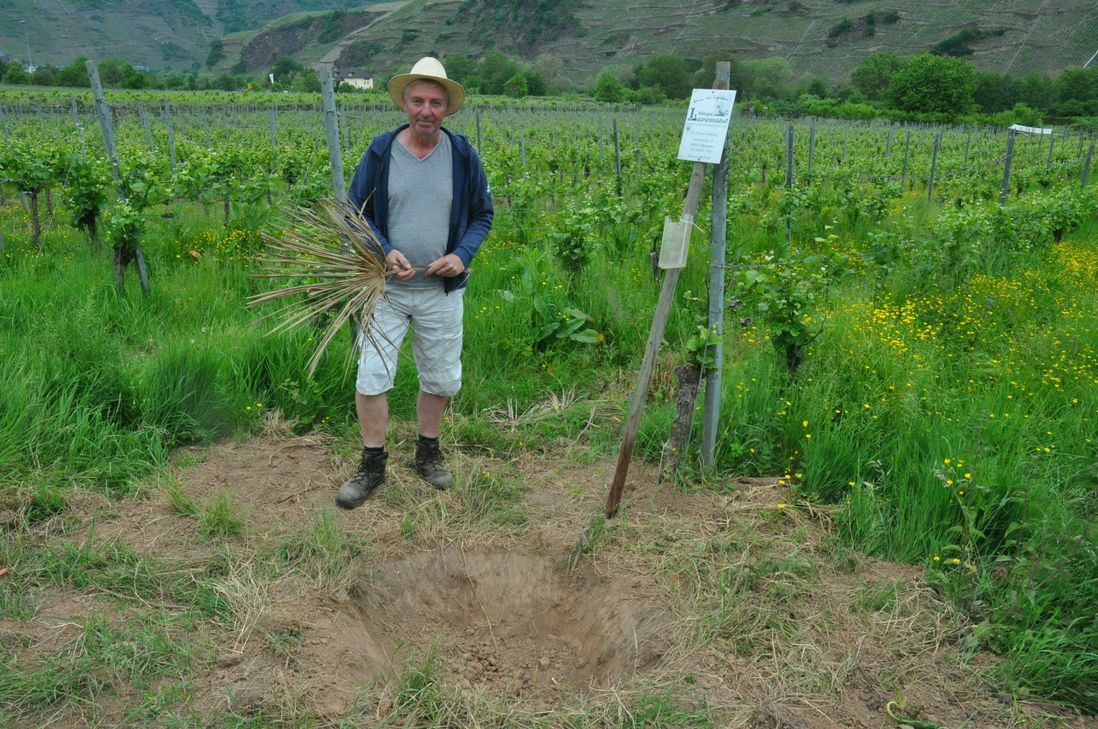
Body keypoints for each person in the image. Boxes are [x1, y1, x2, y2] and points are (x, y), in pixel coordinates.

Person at [336, 57, 493, 510]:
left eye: (436, 103)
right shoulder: (381, 152)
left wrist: (460, 256)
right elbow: (356, 212)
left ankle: (427, 453)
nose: (426, 110)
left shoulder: (462, 155)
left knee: (440, 376)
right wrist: (384, 250)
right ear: (404, 103)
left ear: (447, 109)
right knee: (372, 376)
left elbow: (483, 215)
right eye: (418, 101)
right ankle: (372, 464)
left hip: (440, 292)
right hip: (384, 289)